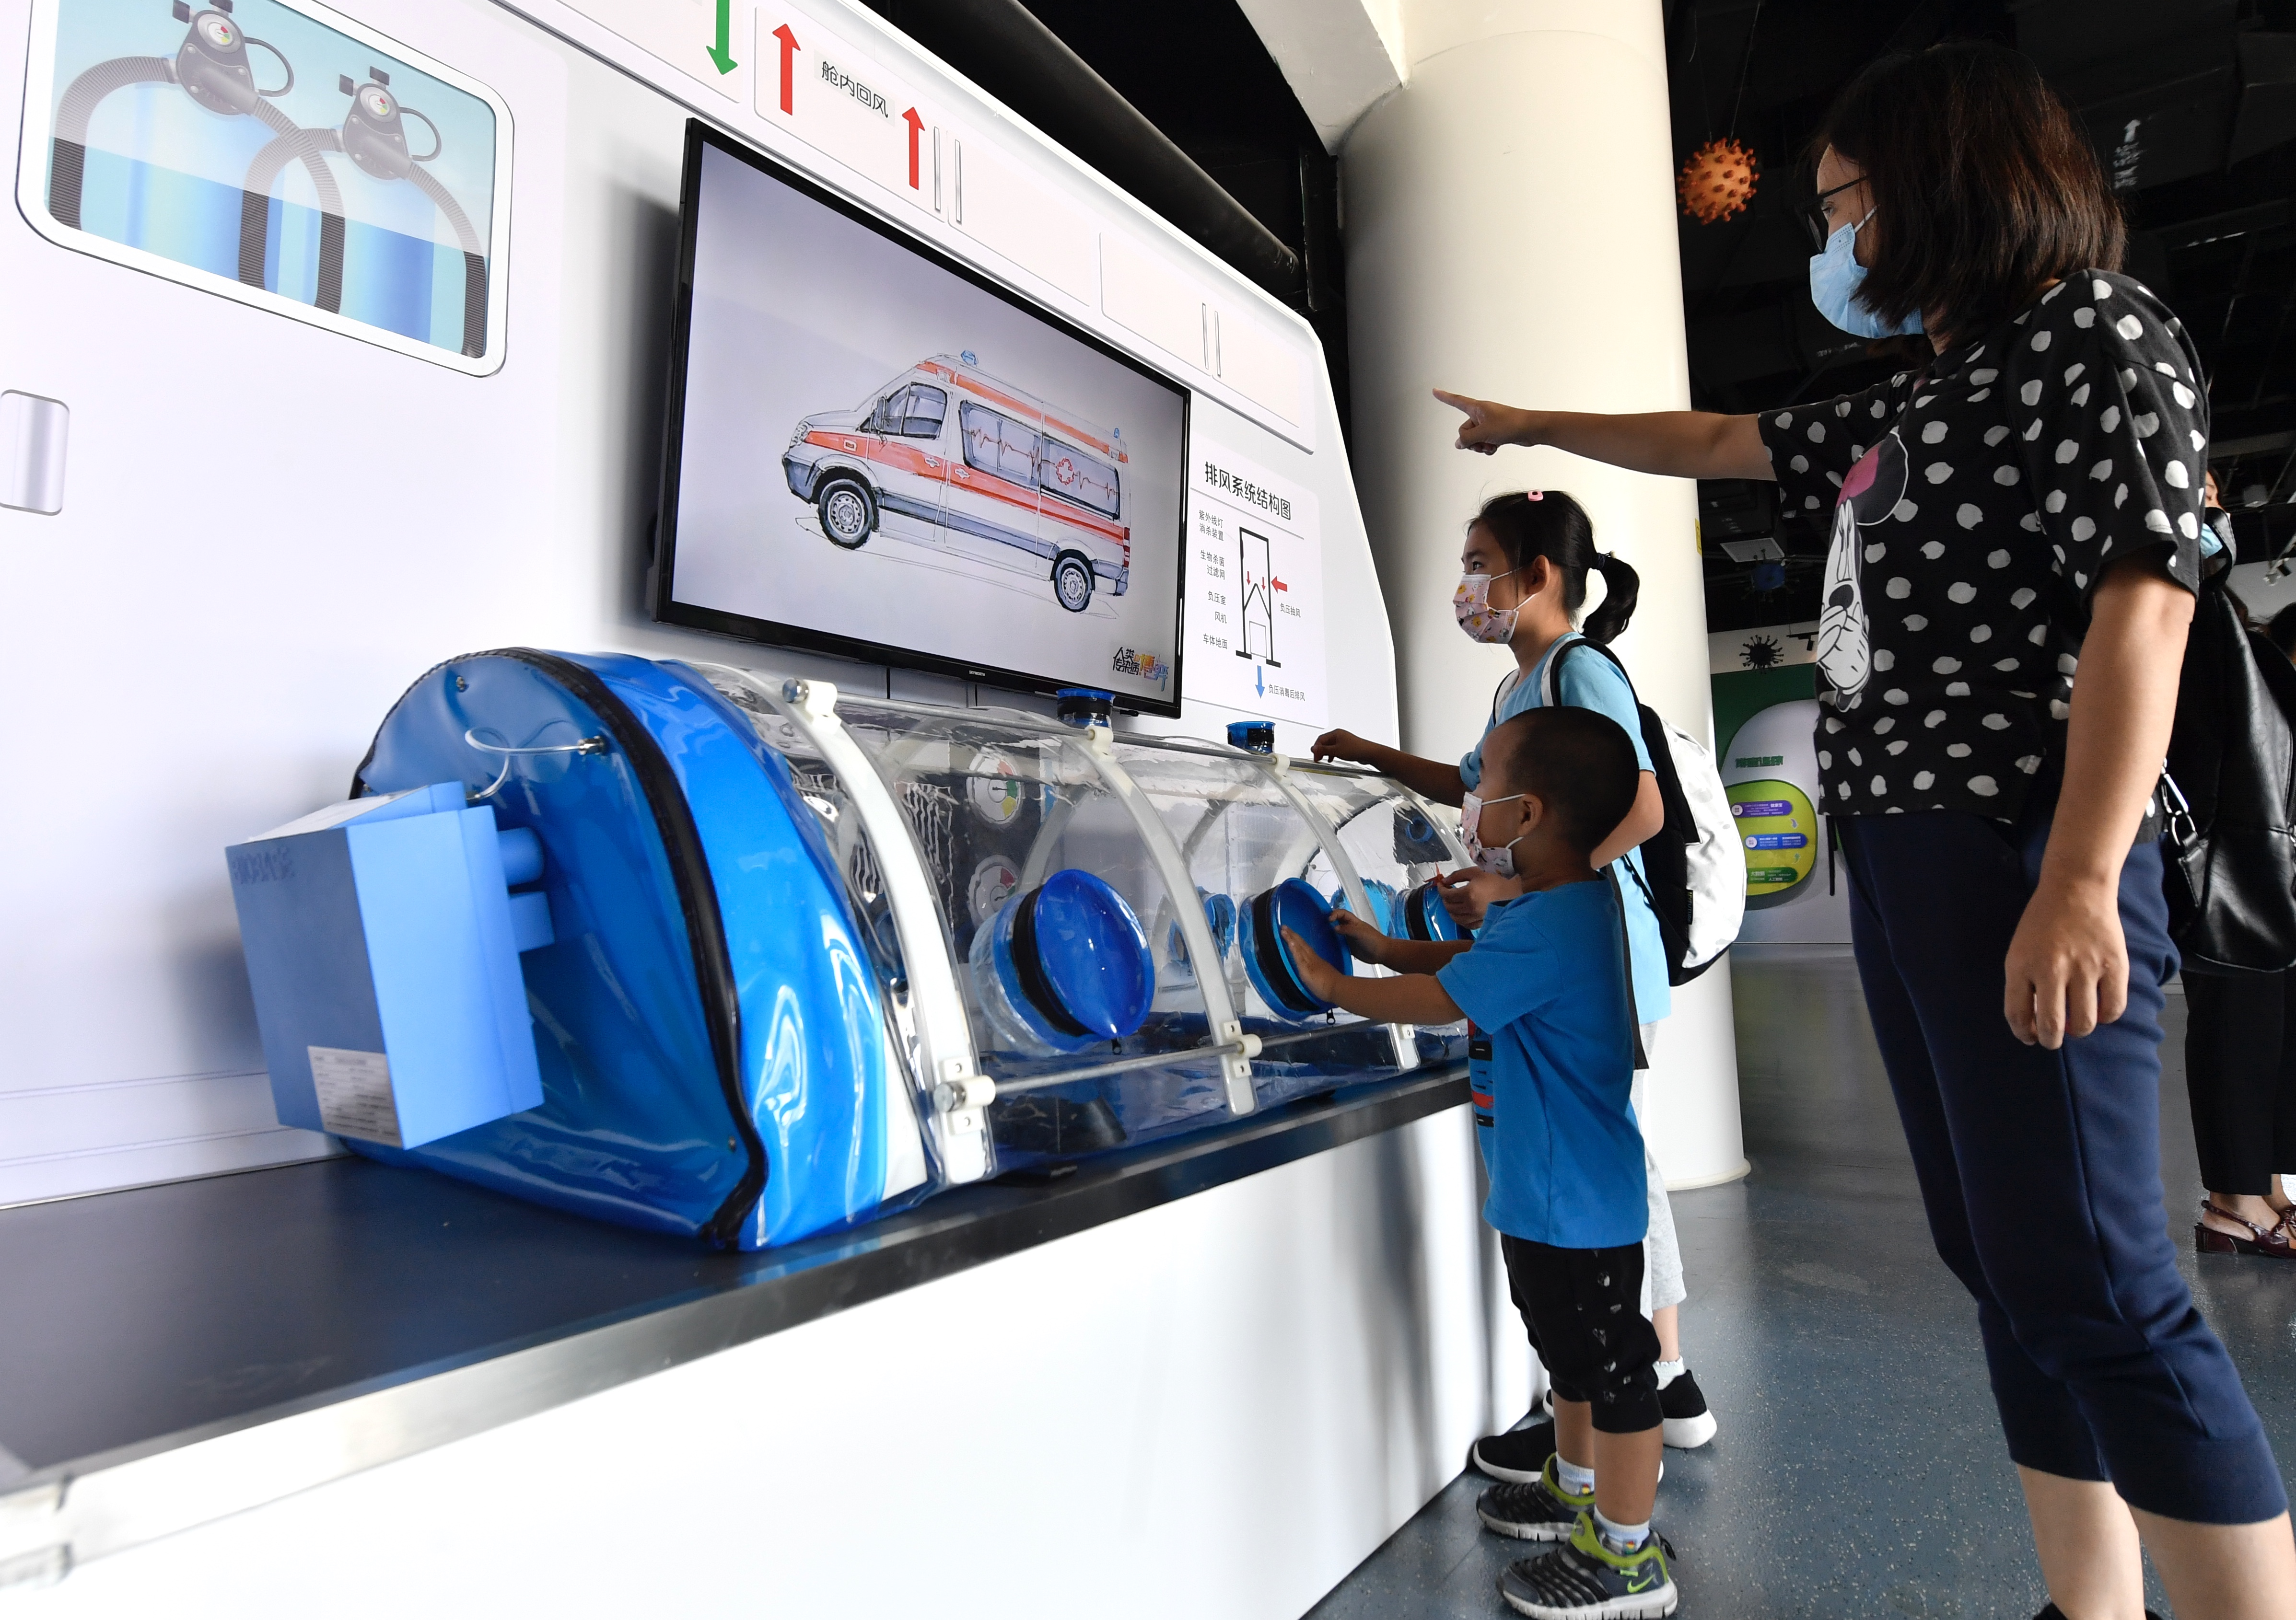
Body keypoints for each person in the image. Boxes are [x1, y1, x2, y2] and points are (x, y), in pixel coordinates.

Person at [1432, 40, 2296, 1620]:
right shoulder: (1915, 395)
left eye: (1840, 205)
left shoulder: (2092, 331)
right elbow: (1716, 442)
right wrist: (1541, 422)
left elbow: (2146, 603)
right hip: (1910, 856)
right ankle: (2089, 1602)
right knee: (2004, 1264)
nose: (1828, 241)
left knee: (2102, 1281)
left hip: (2025, 843)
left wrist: (2080, 877)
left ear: (1936, 183)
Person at [1312, 490, 1721, 1466]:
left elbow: (1641, 806)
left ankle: (1653, 1376)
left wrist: (1526, 884)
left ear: (1536, 574)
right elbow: (1471, 784)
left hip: (1592, 954)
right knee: (1593, 1168)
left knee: (1610, 1168)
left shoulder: (1579, 670)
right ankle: (1588, 1389)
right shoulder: (1515, 689)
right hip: (1541, 939)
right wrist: (1372, 755)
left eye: (1477, 563)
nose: (1465, 584)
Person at [1284, 704, 1678, 1620]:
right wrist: (1386, 947)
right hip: (1543, 1195)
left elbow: (1447, 996)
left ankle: (1628, 1555)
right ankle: (1575, 1491)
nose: (1469, 806)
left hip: (1575, 1201)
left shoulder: (1552, 920)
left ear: (1526, 814)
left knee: (1614, 1373)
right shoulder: (1549, 906)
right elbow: (1472, 957)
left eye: (1482, 785)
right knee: (1566, 1356)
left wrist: (1340, 986)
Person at [2183, 481, 2296, 1260]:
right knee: (2237, 1015)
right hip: (2226, 849)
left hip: (2265, 852)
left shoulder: (2227, 622)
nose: (2213, 503)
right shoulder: (2185, 610)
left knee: (2273, 1019)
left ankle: (2268, 1189)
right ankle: (2232, 1201)